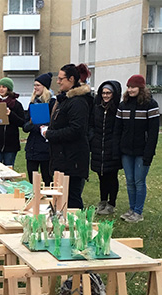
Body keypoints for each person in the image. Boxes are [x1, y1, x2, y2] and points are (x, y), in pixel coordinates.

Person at [42, 64, 93, 209]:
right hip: (61, 157)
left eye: (60, 79)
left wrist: (50, 134)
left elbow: (76, 130)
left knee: (72, 198)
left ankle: (76, 228)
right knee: (61, 197)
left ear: (71, 79)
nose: (58, 82)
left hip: (72, 160)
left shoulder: (78, 102)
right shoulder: (64, 100)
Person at [114, 75, 160, 223]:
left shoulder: (150, 104)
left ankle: (138, 212)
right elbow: (118, 129)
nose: (130, 90)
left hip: (142, 151)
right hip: (126, 151)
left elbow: (153, 132)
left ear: (141, 88)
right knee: (130, 181)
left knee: (139, 181)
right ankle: (131, 209)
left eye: (133, 87)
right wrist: (117, 149)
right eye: (128, 87)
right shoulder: (123, 105)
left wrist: (149, 153)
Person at [89, 80, 122, 215]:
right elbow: (91, 124)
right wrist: (92, 138)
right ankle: (102, 200)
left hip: (112, 146)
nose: (105, 96)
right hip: (98, 145)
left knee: (112, 175)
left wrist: (115, 143)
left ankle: (111, 202)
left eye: (108, 93)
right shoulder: (96, 108)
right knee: (101, 175)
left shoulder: (117, 109)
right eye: (103, 93)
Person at [23, 72, 55, 185]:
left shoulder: (53, 103)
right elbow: (25, 127)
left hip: (46, 148)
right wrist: (32, 123)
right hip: (32, 148)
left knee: (47, 179)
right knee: (32, 180)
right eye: (34, 85)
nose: (35, 88)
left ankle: (49, 201)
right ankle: (35, 200)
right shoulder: (32, 103)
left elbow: (54, 123)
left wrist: (45, 124)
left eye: (38, 85)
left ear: (45, 87)